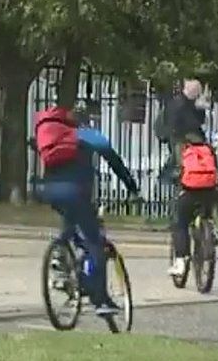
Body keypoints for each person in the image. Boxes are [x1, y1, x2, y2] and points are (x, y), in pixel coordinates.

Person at [37, 106, 140, 317]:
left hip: (50, 192)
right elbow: (114, 160)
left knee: (71, 220)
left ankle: (61, 255)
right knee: (95, 242)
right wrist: (132, 188)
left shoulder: (52, 135)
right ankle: (101, 300)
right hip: (77, 191)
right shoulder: (87, 135)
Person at [169, 131, 218, 276]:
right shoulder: (209, 150)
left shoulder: (182, 148)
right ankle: (210, 230)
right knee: (207, 209)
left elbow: (175, 172)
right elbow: (217, 173)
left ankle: (180, 261)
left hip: (190, 191)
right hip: (209, 192)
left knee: (180, 224)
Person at [158, 79, 209, 182]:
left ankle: (168, 177)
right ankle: (170, 178)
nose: (198, 94)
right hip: (179, 138)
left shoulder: (185, 103)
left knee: (177, 162)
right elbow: (192, 124)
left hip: (180, 138)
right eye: (197, 92)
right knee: (180, 163)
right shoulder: (181, 104)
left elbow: (197, 122)